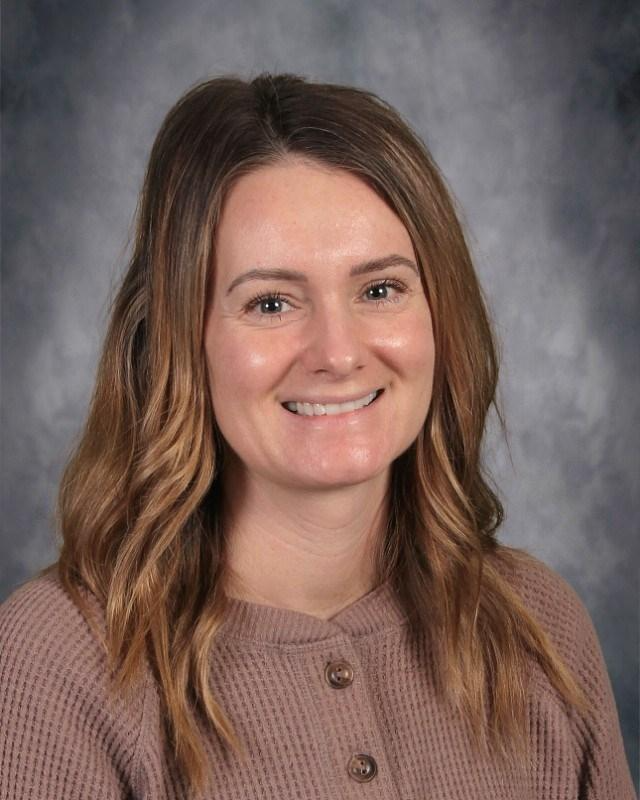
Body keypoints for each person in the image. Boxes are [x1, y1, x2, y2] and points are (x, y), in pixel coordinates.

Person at [0, 73, 635, 800]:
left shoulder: (539, 630)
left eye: (379, 290)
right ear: (177, 341)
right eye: (271, 302)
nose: (337, 352)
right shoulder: (56, 662)